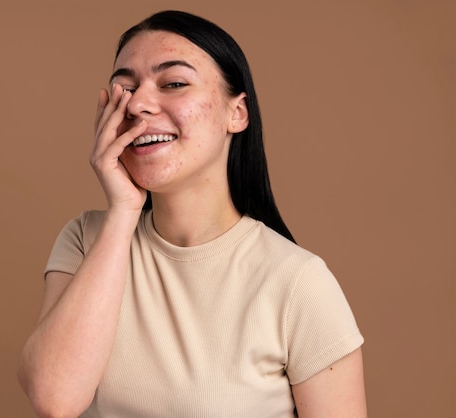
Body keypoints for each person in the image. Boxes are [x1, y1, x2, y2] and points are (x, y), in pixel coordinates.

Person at [18, 10, 366, 418]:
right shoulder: (85, 239)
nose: (139, 104)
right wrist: (124, 211)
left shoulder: (298, 283)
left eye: (175, 83)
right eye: (124, 88)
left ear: (236, 113)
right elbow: (54, 399)